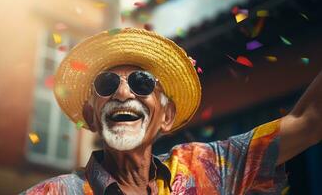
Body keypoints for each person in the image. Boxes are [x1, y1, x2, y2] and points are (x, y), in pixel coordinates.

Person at [22, 28, 322, 195]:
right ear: (90, 117)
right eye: (106, 83)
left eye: (142, 83)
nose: (123, 92)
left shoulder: (207, 168)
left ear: (166, 116)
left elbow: (310, 120)